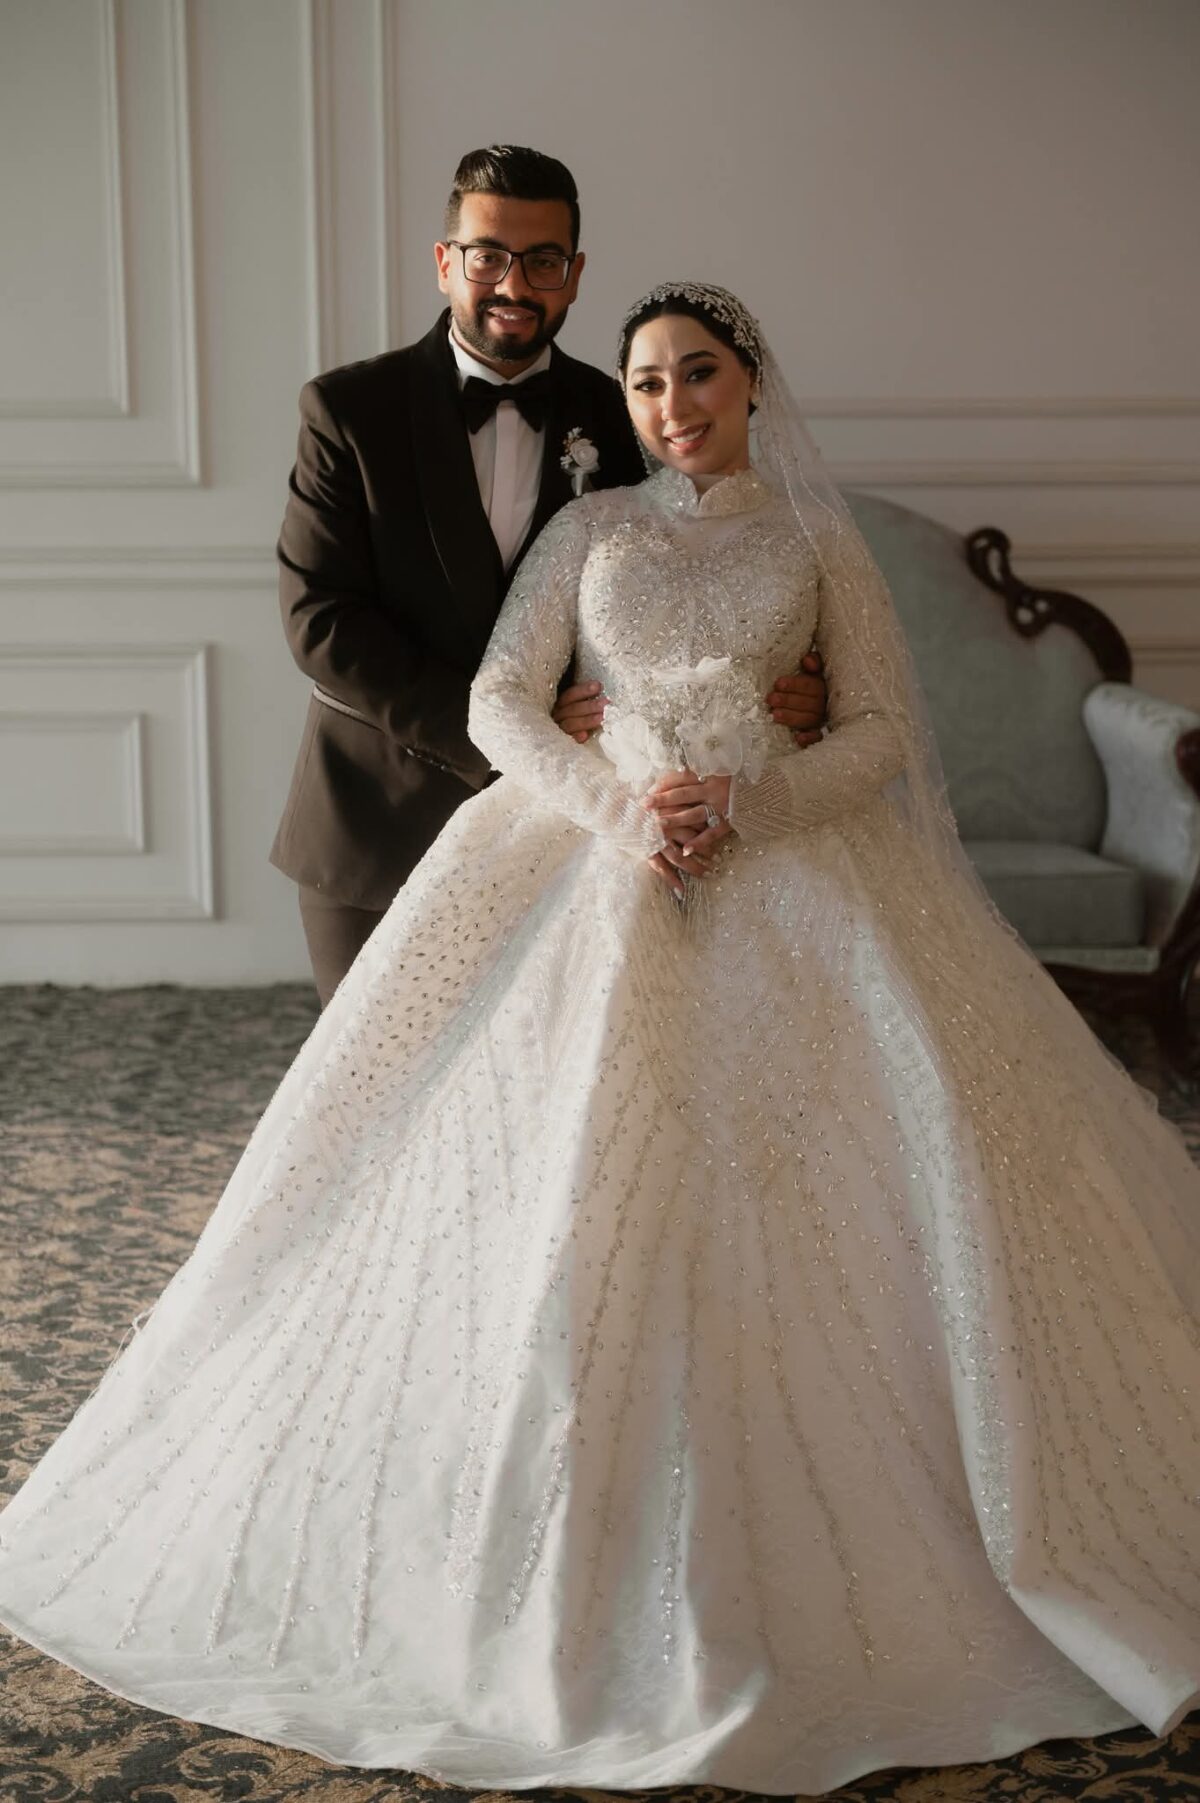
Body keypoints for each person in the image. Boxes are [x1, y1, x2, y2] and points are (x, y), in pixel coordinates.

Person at [0, 282, 1197, 1797]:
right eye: (643, 382)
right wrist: (624, 810)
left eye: (697, 373)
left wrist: (752, 800)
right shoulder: (586, 530)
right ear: (620, 402)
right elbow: (503, 703)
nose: (671, 403)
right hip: (593, 857)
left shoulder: (816, 542)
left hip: (794, 866)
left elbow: (886, 732)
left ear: (750, 383)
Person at [269, 144, 826, 1004]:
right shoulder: (349, 410)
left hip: (574, 836)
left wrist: (791, 680)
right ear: (445, 262)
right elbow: (320, 619)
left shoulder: (629, 410)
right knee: (378, 1076)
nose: (514, 284)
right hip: (378, 814)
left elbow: (692, 581)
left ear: (574, 274)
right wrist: (502, 726)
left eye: (542, 261)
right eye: (488, 256)